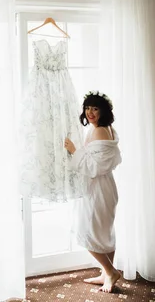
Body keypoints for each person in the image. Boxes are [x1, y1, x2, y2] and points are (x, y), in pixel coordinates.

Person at [63, 91, 122, 293]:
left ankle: (111, 271)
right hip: (106, 187)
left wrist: (73, 150)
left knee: (87, 231)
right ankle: (106, 274)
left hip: (98, 189)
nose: (90, 112)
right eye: (87, 108)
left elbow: (94, 166)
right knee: (103, 232)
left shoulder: (99, 131)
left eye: (95, 108)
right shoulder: (105, 129)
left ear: (103, 111)